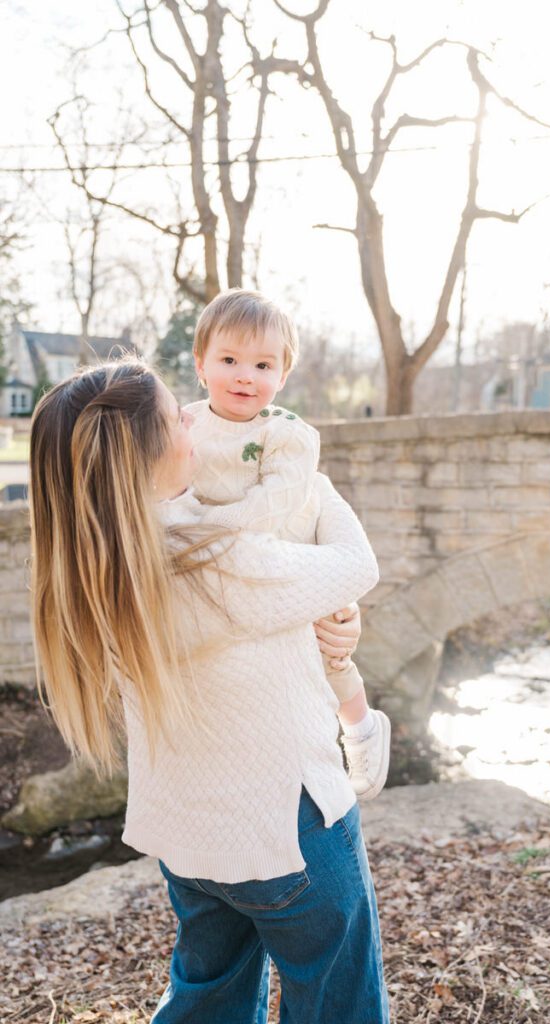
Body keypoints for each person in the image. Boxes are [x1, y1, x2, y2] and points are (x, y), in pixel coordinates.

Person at [29, 359, 391, 1023]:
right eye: (176, 417)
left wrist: (320, 606)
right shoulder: (210, 560)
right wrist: (307, 476)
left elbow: (287, 595)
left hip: (189, 839)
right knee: (336, 1002)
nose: (193, 424)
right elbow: (354, 567)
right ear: (146, 451)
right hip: (286, 832)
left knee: (209, 998)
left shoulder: (99, 563)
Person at [185, 288, 391, 800]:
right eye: (229, 359)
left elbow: (271, 507)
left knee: (326, 651)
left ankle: (361, 726)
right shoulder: (182, 424)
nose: (245, 376)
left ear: (283, 374)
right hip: (227, 566)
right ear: (200, 364)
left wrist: (205, 531)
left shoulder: (288, 434)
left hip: (292, 557)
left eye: (262, 365)